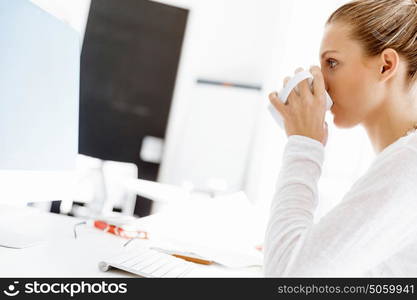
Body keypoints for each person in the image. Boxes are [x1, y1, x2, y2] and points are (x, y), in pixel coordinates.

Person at [264, 0, 417, 277]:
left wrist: (303, 145)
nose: (320, 80)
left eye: (332, 62)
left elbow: (289, 280)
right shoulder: (402, 159)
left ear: (386, 66)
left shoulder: (410, 164)